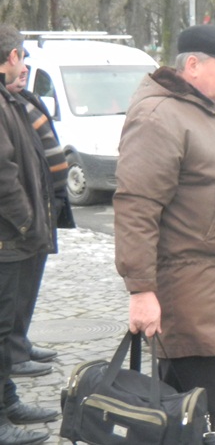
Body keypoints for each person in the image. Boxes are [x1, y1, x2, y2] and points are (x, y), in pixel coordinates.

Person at [114, 25, 215, 433]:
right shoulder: (160, 117)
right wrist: (141, 291)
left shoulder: (201, 110)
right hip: (190, 297)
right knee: (183, 416)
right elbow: (136, 207)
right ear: (192, 65)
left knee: (200, 413)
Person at [0, 25, 56, 445]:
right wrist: (27, 224)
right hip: (9, 241)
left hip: (16, 240)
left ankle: (8, 402)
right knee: (1, 330)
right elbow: (4, 177)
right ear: (14, 56)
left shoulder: (8, 99)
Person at [4, 54, 71, 380]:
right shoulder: (7, 106)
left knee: (28, 286)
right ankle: (13, 354)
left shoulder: (22, 101)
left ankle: (21, 342)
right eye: (21, 60)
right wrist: (27, 219)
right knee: (13, 293)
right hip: (21, 219)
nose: (25, 70)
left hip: (43, 208)